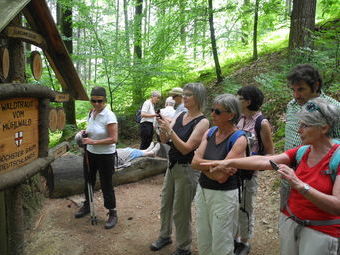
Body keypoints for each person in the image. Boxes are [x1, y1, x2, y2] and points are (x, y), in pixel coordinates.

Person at [204, 98, 340, 255]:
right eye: (299, 125)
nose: (299, 130)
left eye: (305, 125)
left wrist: (299, 184)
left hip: (322, 232)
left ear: (324, 128)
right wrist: (228, 163)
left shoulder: (336, 157)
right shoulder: (303, 151)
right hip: (291, 222)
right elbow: (264, 161)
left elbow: (337, 206)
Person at [150, 83, 209, 255]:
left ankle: (184, 247)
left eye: (188, 94)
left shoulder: (203, 122)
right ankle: (164, 236)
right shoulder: (181, 114)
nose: (184, 97)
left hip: (187, 169)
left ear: (198, 97)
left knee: (181, 210)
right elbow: (164, 140)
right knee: (165, 204)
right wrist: (162, 129)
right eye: (184, 94)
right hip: (172, 165)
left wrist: (170, 130)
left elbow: (186, 148)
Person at [191, 94, 248, 255]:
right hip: (203, 191)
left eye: (217, 111)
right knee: (204, 237)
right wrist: (214, 167)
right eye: (212, 110)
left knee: (221, 242)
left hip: (224, 196)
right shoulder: (210, 132)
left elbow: (221, 178)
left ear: (231, 115)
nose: (212, 114)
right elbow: (194, 163)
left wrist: (203, 166)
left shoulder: (239, 139)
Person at [235, 86, 274, 255]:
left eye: (239, 98)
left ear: (248, 101)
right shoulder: (239, 118)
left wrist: (254, 164)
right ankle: (234, 238)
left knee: (246, 207)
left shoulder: (262, 123)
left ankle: (244, 242)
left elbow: (270, 153)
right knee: (234, 205)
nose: (236, 100)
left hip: (249, 174)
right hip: (234, 172)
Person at [74, 86, 118, 229]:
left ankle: (112, 213)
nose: (97, 104)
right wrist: (86, 132)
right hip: (90, 153)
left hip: (106, 155)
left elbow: (113, 138)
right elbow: (93, 130)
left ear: (105, 100)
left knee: (106, 184)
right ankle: (87, 205)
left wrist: (94, 142)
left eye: (100, 101)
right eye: (93, 101)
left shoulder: (109, 116)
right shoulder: (91, 113)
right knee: (88, 180)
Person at [285, 64, 340, 150]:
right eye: (293, 90)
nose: (296, 96)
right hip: (289, 160)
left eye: (301, 89)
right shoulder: (291, 105)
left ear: (315, 86)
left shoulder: (334, 108)